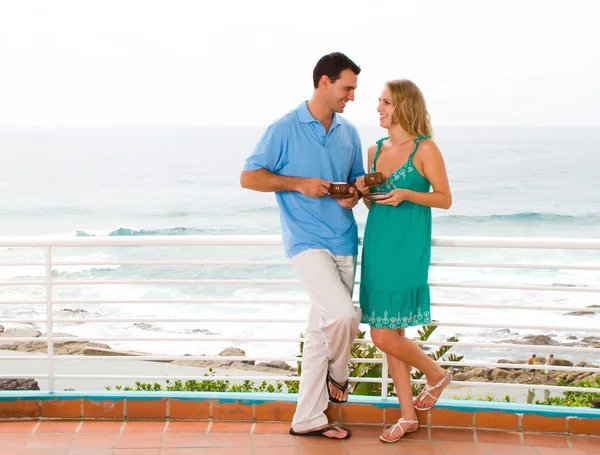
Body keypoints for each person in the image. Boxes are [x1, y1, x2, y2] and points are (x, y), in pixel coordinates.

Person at [240, 52, 364, 440]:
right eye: (347, 88)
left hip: (344, 240)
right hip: (306, 243)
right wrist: (297, 183)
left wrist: (354, 195)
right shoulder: (285, 127)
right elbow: (249, 177)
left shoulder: (349, 132)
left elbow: (356, 180)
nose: (352, 97)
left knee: (320, 334)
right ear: (324, 82)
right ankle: (339, 377)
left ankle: (308, 418)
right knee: (344, 317)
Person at [355, 79, 453, 443]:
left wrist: (408, 193)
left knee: (383, 336)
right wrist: (365, 193)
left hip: (408, 248)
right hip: (379, 246)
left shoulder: (425, 149)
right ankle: (408, 416)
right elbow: (374, 203)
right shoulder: (374, 149)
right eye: (379, 102)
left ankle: (437, 374)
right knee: (391, 333)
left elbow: (444, 199)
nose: (379, 108)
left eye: (386, 103)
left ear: (404, 106)